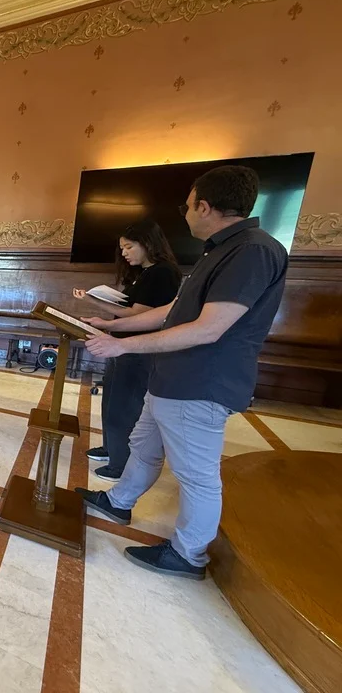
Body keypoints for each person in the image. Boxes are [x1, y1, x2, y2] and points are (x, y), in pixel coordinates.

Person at [77, 165, 288, 581]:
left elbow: (209, 328)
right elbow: (172, 312)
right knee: (143, 447)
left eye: (187, 206)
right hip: (171, 378)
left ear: (204, 207)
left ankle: (188, 554)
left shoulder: (252, 251)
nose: (185, 214)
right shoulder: (219, 249)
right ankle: (118, 502)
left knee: (196, 475)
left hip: (200, 383)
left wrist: (122, 346)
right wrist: (113, 326)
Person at [72, 219, 181, 482]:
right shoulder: (145, 273)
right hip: (120, 346)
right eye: (122, 248)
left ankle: (120, 464)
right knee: (111, 400)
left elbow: (140, 315)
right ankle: (111, 448)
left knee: (125, 406)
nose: (124, 253)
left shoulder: (162, 273)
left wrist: (96, 304)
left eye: (129, 247)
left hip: (138, 349)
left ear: (148, 243)